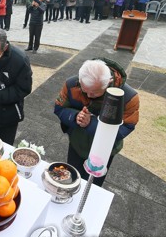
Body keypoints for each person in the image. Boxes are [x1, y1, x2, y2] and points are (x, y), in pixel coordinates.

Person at [54, 59, 140, 187]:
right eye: (85, 90)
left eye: (94, 92)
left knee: (92, 186)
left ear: (108, 82)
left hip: (104, 151)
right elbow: (59, 108)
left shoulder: (128, 97)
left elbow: (127, 127)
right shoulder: (72, 84)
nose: (88, 95)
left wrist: (90, 124)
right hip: (77, 143)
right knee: (71, 179)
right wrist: (76, 117)